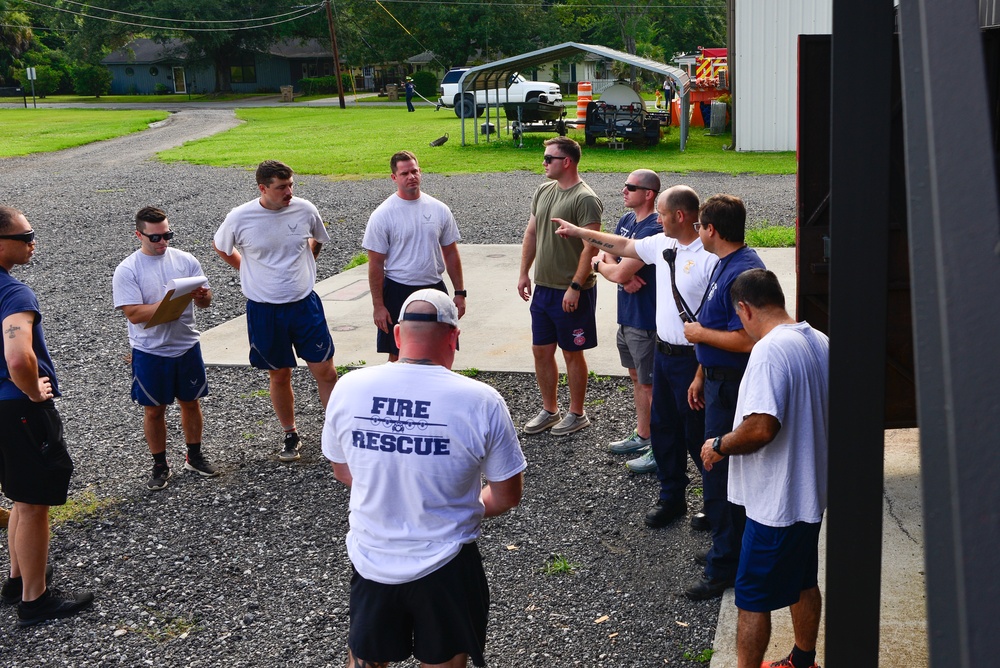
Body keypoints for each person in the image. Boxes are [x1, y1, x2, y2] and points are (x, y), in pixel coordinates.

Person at [322, 289, 526, 668]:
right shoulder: (482, 401)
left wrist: (393, 491)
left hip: (371, 559)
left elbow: (342, 469)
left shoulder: (349, 387)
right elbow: (507, 495)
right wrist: (457, 506)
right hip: (445, 564)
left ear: (398, 336)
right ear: (454, 338)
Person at [554, 185, 718, 531]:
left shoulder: (710, 256)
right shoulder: (663, 243)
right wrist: (582, 233)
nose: (657, 219)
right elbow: (624, 246)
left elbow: (715, 320)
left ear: (680, 216)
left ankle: (715, 505)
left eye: (661, 213)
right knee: (663, 430)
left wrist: (702, 370)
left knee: (697, 433)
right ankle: (672, 497)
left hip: (695, 359)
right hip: (664, 353)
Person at [700, 268, 828, 668]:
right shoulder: (819, 340)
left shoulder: (770, 351)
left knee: (751, 597)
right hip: (808, 495)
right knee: (804, 580)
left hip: (777, 503)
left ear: (744, 308)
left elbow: (761, 427)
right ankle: (803, 661)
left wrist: (719, 444)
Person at [0, 206, 93, 626]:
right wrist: (32, 389)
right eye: (25, 236)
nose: (32, 241)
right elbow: (19, 357)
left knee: (20, 494)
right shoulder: (14, 294)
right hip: (19, 410)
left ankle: (17, 580)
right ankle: (35, 601)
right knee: (36, 503)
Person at [213, 160, 339, 463]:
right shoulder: (240, 217)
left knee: (325, 371)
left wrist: (307, 261)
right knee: (280, 374)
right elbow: (221, 246)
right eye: (282, 187)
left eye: (291, 185)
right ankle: (290, 433)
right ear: (262, 188)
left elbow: (318, 238)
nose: (289, 192)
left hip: (304, 305)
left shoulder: (305, 209)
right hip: (265, 310)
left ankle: (337, 431)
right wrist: (245, 268)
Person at [682, 194, 766, 601]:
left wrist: (699, 338)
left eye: (699, 226)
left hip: (733, 384)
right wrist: (700, 372)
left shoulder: (743, 272)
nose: (697, 232)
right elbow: (714, 322)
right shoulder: (725, 264)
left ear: (711, 229)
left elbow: (747, 338)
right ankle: (724, 544)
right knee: (714, 466)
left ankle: (725, 565)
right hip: (715, 379)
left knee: (722, 466)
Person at [113, 207, 218, 491]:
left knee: (191, 402)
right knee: (154, 410)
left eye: (167, 235)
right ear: (139, 235)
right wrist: (170, 302)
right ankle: (159, 464)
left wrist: (202, 295)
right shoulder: (127, 269)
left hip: (186, 345)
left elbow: (205, 303)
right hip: (150, 351)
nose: (163, 243)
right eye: (155, 238)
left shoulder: (186, 260)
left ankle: (194, 456)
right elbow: (133, 314)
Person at [517, 136, 603, 436]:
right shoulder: (543, 190)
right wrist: (524, 272)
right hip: (543, 288)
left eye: (548, 158)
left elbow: (590, 247)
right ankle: (550, 409)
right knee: (541, 350)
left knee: (571, 353)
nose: (543, 162)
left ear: (566, 162)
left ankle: (577, 413)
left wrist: (576, 287)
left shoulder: (585, 198)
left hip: (572, 291)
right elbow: (531, 233)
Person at [363, 150, 466, 362]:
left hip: (434, 288)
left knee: (443, 348)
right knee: (398, 353)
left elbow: (451, 253)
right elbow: (375, 264)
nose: (411, 177)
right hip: (397, 290)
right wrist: (378, 306)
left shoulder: (439, 209)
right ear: (394, 177)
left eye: (414, 171)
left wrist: (459, 293)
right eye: (404, 173)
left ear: (420, 172)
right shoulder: (382, 215)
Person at [593, 170, 660, 463]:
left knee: (651, 384)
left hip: (646, 319)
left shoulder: (654, 228)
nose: (624, 190)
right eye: (624, 186)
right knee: (637, 378)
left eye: (631, 187)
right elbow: (604, 250)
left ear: (649, 194)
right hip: (628, 316)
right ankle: (643, 435)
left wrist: (611, 271)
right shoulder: (627, 221)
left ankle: (660, 448)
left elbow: (612, 264)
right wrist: (620, 276)